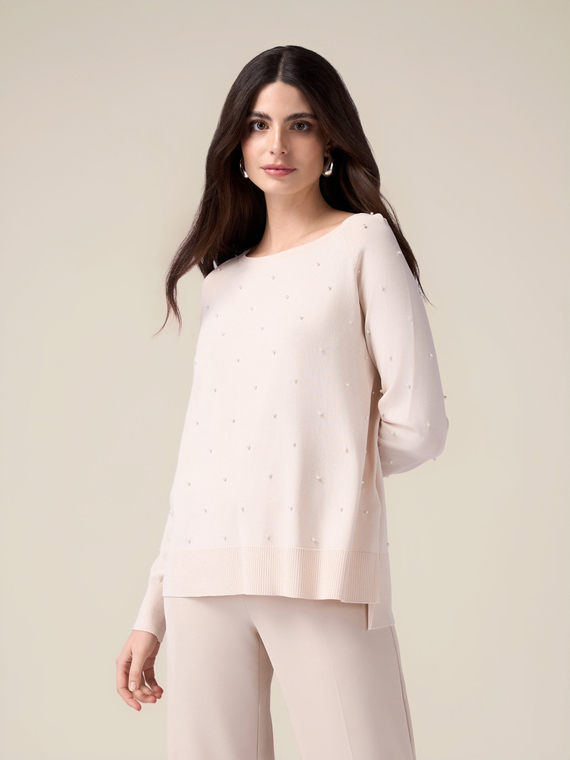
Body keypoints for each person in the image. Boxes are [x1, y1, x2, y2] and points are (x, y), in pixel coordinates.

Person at [116, 44, 449, 760]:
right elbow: (201, 457)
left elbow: (420, 425)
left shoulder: (363, 242)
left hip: (319, 566)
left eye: (300, 124)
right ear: (236, 145)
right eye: (258, 125)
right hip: (203, 572)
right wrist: (151, 611)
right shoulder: (222, 283)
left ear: (330, 141)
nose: (277, 144)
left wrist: (320, 478)